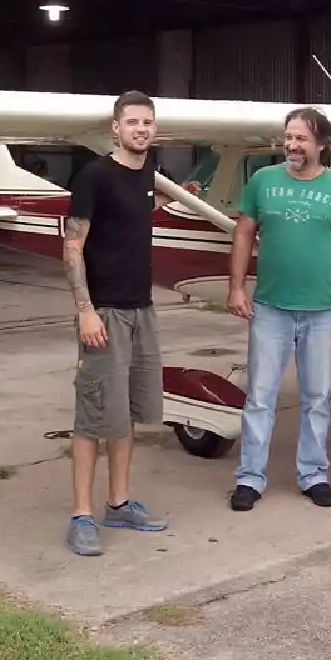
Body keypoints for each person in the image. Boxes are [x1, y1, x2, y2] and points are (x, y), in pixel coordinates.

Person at [61, 89, 200, 557]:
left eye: (147, 122)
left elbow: (130, 221)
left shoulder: (146, 174)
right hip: (104, 312)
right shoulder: (94, 175)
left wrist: (179, 199)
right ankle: (81, 515)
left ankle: (119, 503)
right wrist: (85, 309)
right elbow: (73, 246)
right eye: (133, 122)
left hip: (142, 310)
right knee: (92, 417)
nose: (141, 129)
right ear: (116, 128)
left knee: (128, 414)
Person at [225, 107, 331, 511]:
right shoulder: (262, 180)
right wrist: (236, 287)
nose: (292, 144)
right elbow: (243, 234)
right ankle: (250, 478)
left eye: (301, 138)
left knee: (317, 397)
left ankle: (313, 474)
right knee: (260, 396)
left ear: (321, 144)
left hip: (322, 311)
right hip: (270, 308)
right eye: (289, 137)